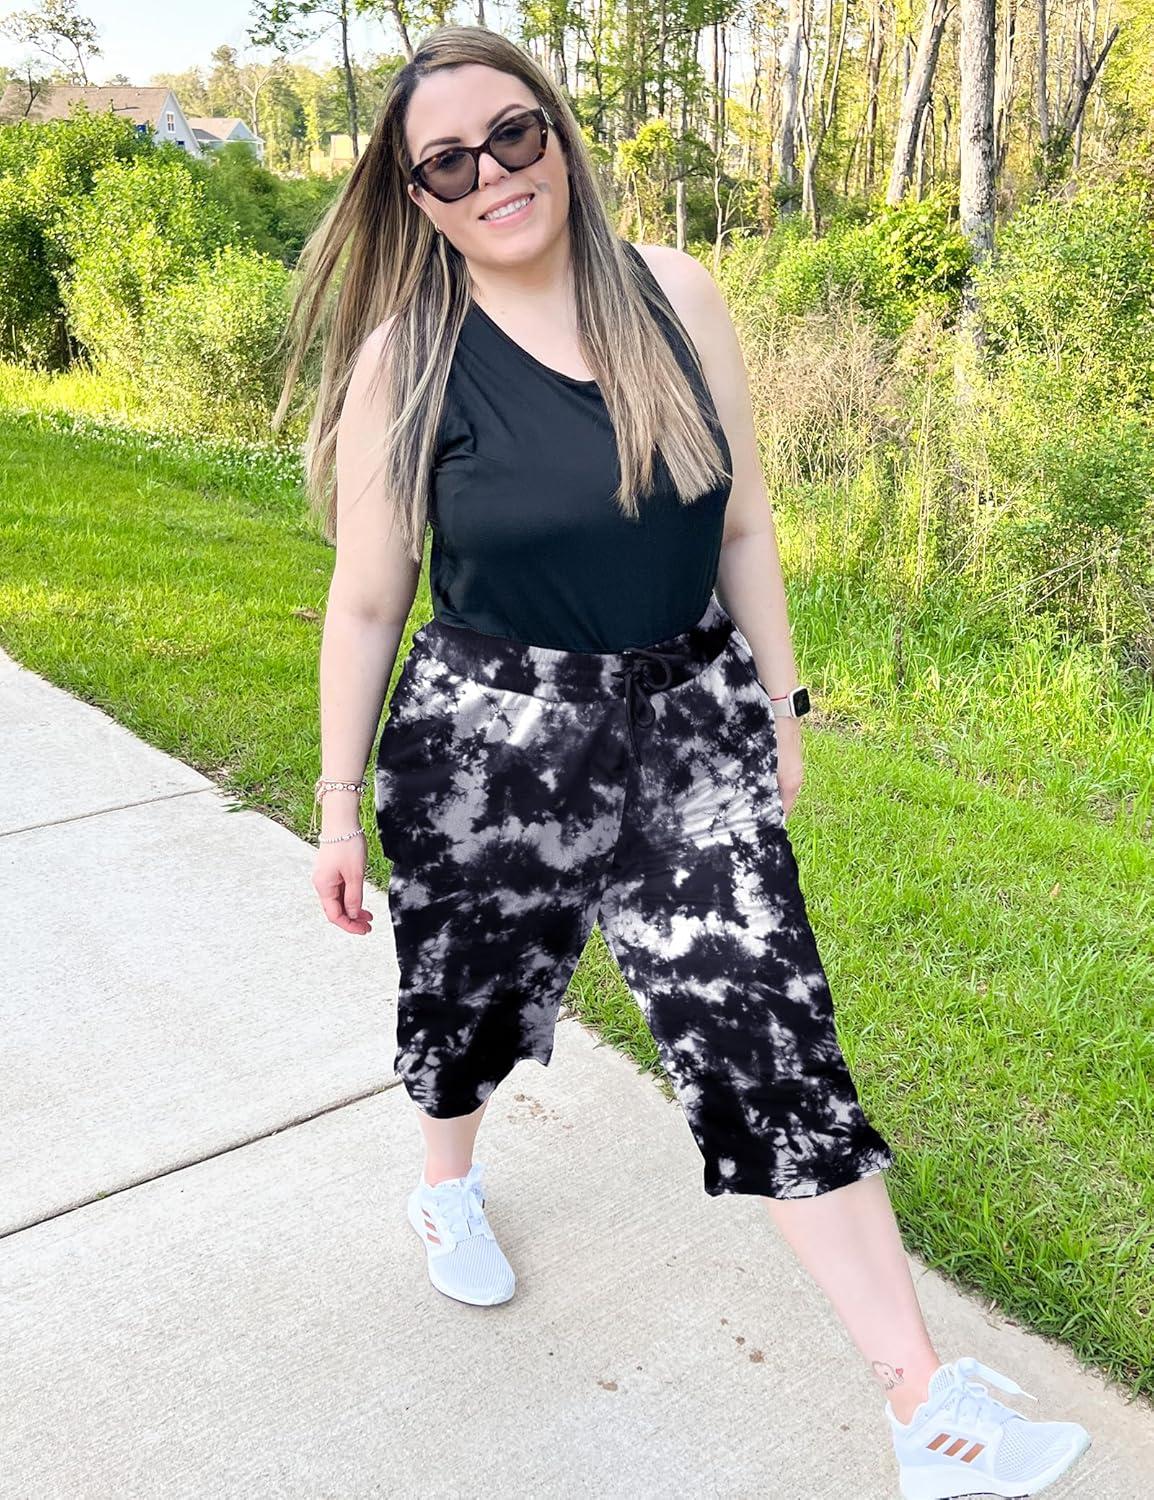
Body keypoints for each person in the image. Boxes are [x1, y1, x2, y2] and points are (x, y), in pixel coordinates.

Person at [277, 24, 1092, 1499]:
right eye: (446, 163)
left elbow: (743, 522)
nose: (490, 175)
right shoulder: (409, 357)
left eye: (511, 133)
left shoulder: (676, 295)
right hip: (492, 745)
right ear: (417, 198)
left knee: (768, 1034)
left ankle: (920, 1405)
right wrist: (337, 806)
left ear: (557, 133)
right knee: (469, 1007)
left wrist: (781, 700)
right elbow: (367, 598)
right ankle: (445, 1185)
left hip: (691, 727)